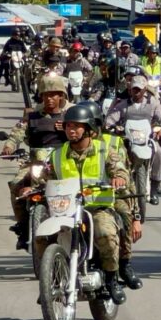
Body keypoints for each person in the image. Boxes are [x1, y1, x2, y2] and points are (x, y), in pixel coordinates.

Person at [44, 104, 130, 304]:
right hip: (66, 209)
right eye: (68, 126)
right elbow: (46, 178)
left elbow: (120, 170)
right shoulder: (57, 154)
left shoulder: (104, 150)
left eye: (77, 126)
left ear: (89, 128)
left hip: (97, 207)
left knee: (105, 233)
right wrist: (31, 187)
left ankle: (111, 279)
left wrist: (118, 178)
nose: (71, 130)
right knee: (42, 237)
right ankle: (49, 282)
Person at [78, 100, 143, 290]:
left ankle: (124, 264)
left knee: (125, 215)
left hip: (113, 197)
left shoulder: (113, 143)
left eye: (93, 125)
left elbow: (127, 179)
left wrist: (136, 215)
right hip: (78, 199)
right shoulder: (72, 144)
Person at [0, 76, 71, 250]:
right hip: (35, 163)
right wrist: (9, 147)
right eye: (46, 95)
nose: (50, 99)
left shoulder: (70, 115)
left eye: (54, 95)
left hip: (62, 162)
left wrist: (68, 129)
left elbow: (85, 135)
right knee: (17, 184)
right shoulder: (32, 116)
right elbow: (18, 133)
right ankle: (23, 227)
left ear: (62, 96)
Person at [105, 75, 161, 206]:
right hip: (128, 139)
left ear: (145, 90)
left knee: (159, 152)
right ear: (130, 90)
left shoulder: (152, 102)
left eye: (139, 90)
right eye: (134, 89)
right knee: (117, 155)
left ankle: (154, 188)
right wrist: (110, 125)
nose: (136, 92)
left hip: (148, 138)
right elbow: (111, 119)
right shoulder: (123, 105)